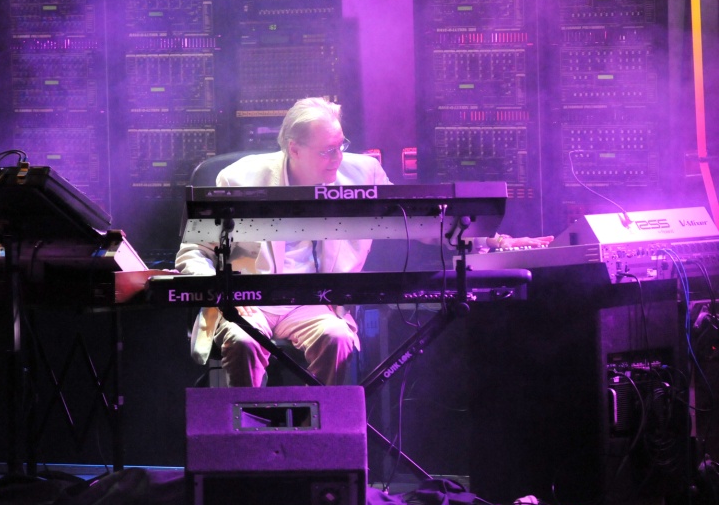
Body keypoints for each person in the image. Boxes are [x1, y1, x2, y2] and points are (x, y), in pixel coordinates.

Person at [175, 97, 552, 387]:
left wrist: (495, 241)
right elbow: (194, 250)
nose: (338, 158)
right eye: (327, 151)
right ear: (294, 148)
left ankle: (328, 441)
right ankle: (247, 441)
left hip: (315, 305)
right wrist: (219, 293)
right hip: (249, 302)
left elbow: (420, 225)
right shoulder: (238, 178)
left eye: (341, 145)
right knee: (243, 342)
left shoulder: (362, 173)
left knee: (338, 338)